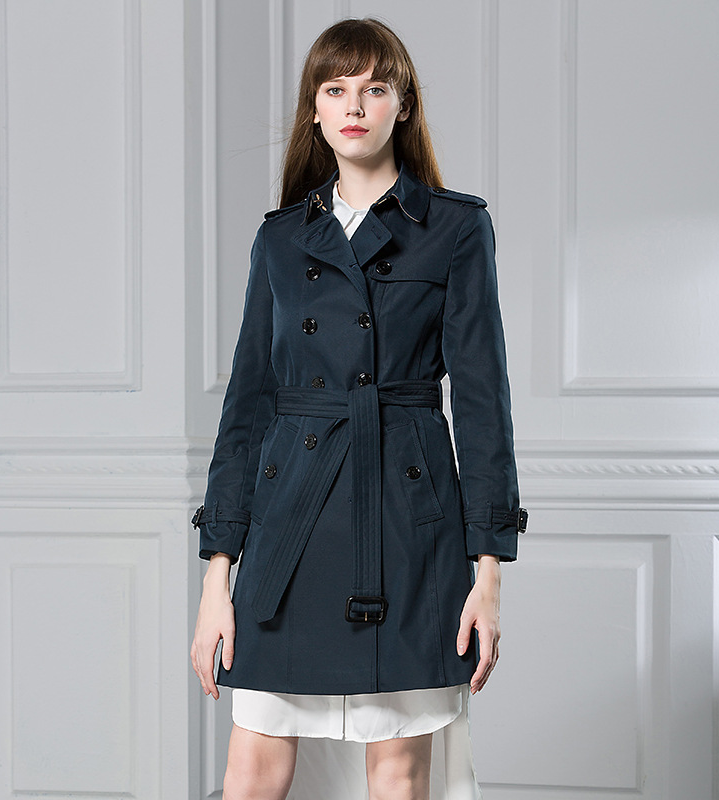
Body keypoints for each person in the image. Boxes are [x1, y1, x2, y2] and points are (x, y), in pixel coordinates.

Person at [190, 16, 527, 800]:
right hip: (290, 529)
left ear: (402, 106)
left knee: (400, 770)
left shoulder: (455, 229)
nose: (354, 105)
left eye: (374, 88)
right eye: (335, 89)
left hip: (408, 528)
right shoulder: (281, 240)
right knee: (252, 767)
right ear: (313, 110)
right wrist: (216, 581)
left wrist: (488, 576)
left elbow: (484, 407)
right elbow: (246, 411)